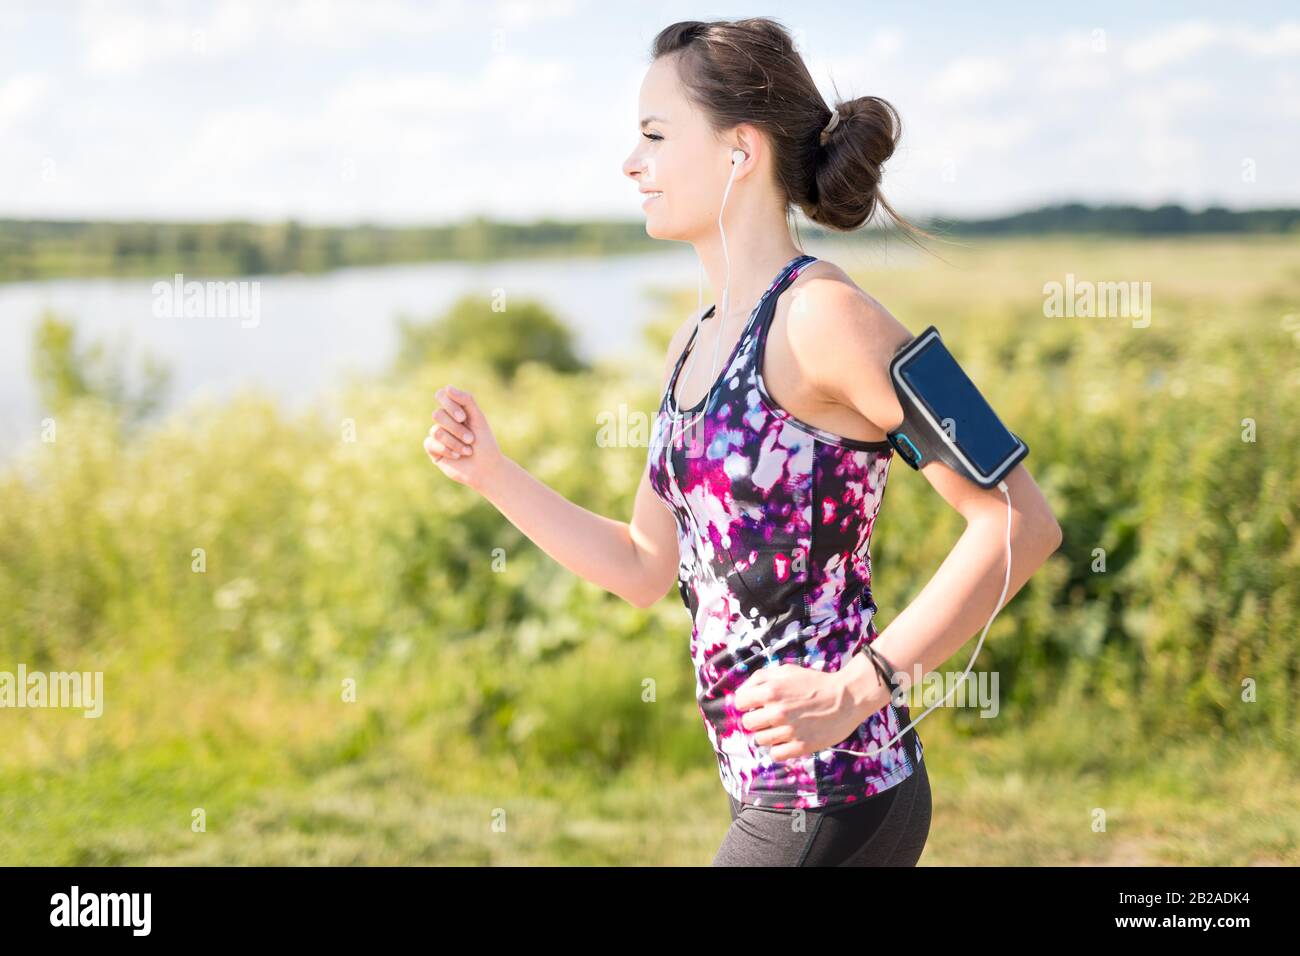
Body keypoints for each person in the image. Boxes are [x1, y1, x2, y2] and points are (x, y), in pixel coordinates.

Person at [422, 17, 1063, 866]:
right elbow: (644, 566)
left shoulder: (831, 316)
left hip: (838, 792)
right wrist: (493, 474)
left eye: (654, 135)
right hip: (756, 788)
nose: (630, 163)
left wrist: (853, 690)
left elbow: (1020, 521)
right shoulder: (690, 344)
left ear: (739, 152)